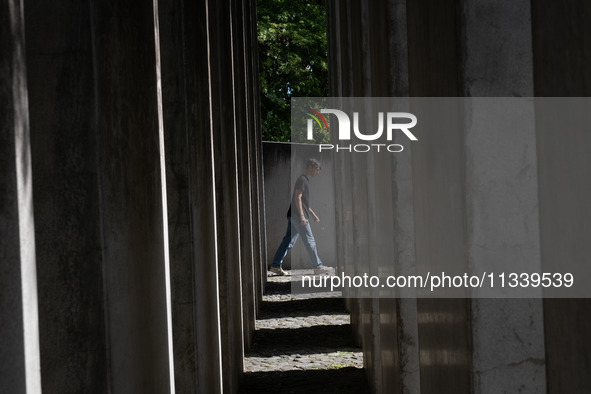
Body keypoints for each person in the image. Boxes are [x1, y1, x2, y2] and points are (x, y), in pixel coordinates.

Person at [270, 158, 330, 276]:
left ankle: (276, 266)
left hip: (295, 215)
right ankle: (318, 267)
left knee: (288, 242)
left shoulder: (304, 180)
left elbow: (302, 202)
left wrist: (312, 214)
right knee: (310, 241)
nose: (318, 172)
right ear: (310, 167)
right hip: (298, 216)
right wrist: (302, 216)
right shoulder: (302, 180)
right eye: (317, 169)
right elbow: (297, 197)